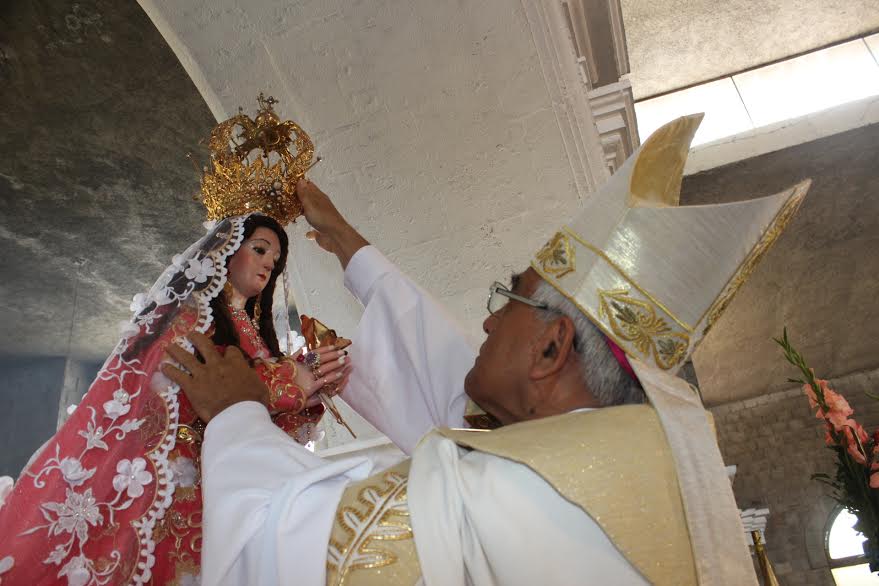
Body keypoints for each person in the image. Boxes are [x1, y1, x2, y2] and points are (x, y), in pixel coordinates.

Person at [167, 115, 811, 585]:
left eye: (509, 300)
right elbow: (449, 375)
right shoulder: (604, 466)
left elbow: (276, 550)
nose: (486, 321)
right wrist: (344, 240)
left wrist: (236, 416)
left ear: (552, 349)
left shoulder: (517, 494)